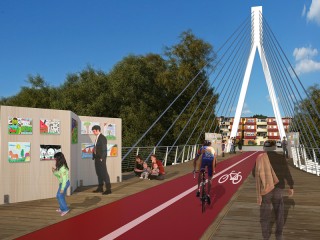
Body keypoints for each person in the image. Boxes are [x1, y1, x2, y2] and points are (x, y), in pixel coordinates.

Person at [252, 142, 294, 240]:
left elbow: (255, 173)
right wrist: (291, 185)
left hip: (265, 189)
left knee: (265, 214)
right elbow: (287, 172)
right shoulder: (281, 158)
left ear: (265, 148)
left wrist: (265, 178)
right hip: (279, 188)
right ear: (274, 147)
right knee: (279, 213)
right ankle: (278, 235)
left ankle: (265, 236)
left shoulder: (260, 159)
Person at [193, 140, 217, 205]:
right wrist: (214, 170)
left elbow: (195, 159)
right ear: (210, 144)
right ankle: (208, 195)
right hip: (211, 162)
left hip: (204, 161)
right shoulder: (213, 149)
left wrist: (194, 169)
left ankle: (198, 189)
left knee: (200, 174)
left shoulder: (202, 148)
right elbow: (214, 161)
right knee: (210, 179)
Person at [92, 125, 112, 195]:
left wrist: (102, 158)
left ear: (98, 130)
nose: (93, 132)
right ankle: (100, 188)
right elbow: (96, 148)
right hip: (97, 158)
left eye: (94, 131)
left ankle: (108, 189)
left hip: (101, 158)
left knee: (104, 173)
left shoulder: (102, 138)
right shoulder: (97, 138)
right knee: (99, 173)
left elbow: (104, 149)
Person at [52, 152, 70, 217]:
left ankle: (65, 209)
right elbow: (59, 175)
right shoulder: (60, 166)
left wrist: (62, 189)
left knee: (59, 195)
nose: (55, 159)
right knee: (59, 196)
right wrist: (54, 172)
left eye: (55, 158)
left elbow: (65, 180)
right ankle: (62, 208)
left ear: (58, 159)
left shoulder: (63, 168)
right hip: (61, 183)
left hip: (64, 184)